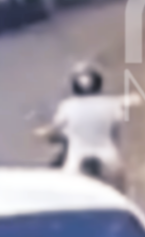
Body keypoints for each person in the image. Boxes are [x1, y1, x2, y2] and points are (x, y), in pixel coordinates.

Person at [37, 62, 137, 190]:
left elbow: (55, 129)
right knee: (122, 184)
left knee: (64, 186)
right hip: (107, 155)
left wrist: (44, 133)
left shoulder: (67, 106)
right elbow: (117, 128)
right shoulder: (111, 104)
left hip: (77, 159)